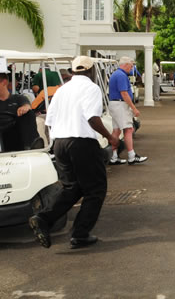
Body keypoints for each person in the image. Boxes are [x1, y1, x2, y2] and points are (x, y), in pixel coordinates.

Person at [28, 55, 119, 250]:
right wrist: (110, 137)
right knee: (95, 190)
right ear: (91, 70)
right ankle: (80, 234)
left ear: (72, 71)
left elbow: (49, 121)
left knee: (73, 187)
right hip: (81, 142)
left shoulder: (62, 90)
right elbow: (93, 119)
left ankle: (43, 218)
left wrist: (57, 143)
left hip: (60, 142)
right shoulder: (92, 88)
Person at [108, 57, 147, 165]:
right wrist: (133, 108)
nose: (131, 68)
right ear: (125, 65)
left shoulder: (116, 74)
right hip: (120, 104)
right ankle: (131, 155)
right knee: (128, 129)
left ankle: (114, 156)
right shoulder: (121, 75)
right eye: (131, 66)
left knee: (116, 130)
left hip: (114, 103)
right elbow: (124, 93)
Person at [0, 68, 43, 151]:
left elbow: (27, 105)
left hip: (13, 129)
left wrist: (25, 107)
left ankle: (31, 144)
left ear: (4, 83)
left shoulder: (18, 98)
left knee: (28, 114)